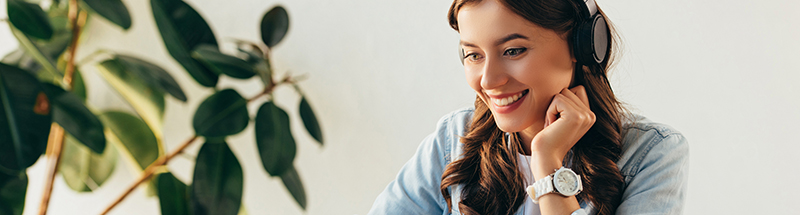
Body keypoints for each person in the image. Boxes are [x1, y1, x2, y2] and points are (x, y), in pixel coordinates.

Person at [368, 0, 688, 214]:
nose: (489, 80)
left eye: (513, 50)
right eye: (473, 55)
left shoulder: (652, 154)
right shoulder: (453, 140)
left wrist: (548, 164)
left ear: (584, 45)